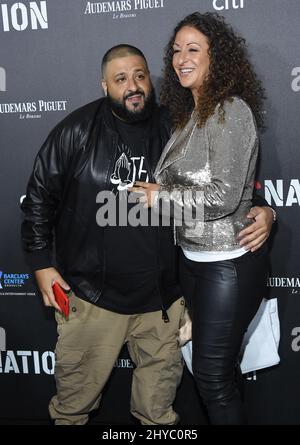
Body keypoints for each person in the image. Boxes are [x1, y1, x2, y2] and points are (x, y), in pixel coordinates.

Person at [21, 44, 273, 425]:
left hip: (164, 303)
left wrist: (265, 208)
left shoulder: (177, 126)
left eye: (139, 76)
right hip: (92, 300)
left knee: (157, 415)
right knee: (71, 411)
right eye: (121, 79)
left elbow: (221, 182)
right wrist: (41, 263)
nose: (133, 86)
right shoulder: (75, 131)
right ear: (104, 85)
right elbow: (38, 197)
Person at [132, 13, 272, 425]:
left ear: (218, 58)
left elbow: (224, 197)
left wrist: (161, 197)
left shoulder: (229, 109)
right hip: (193, 265)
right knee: (221, 374)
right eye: (176, 50)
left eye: (193, 49)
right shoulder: (188, 117)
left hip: (227, 265)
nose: (181, 58)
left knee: (211, 378)